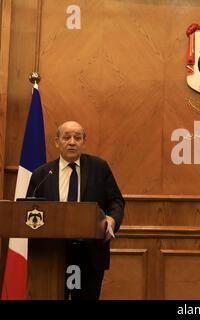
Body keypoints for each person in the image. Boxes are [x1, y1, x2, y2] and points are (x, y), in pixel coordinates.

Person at [26, 121, 125, 300]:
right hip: (52, 253)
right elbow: (30, 209)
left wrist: (111, 220)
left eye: (77, 138)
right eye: (66, 137)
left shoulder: (99, 168)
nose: (72, 142)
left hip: (89, 253)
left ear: (83, 142)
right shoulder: (42, 174)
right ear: (57, 142)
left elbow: (116, 201)